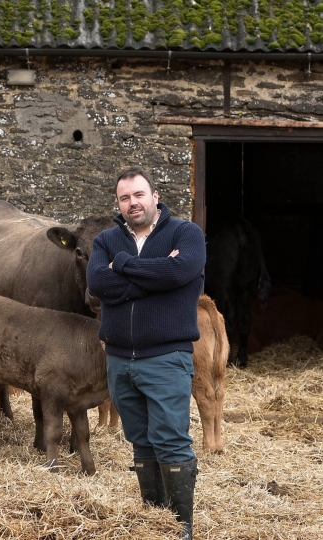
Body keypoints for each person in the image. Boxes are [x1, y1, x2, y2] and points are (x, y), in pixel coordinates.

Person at [86, 166, 205, 540]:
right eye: (124, 198)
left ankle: (181, 528)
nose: (132, 203)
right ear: (118, 204)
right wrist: (155, 278)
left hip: (166, 357)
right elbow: (97, 283)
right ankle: (155, 523)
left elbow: (180, 272)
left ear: (155, 196)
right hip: (120, 359)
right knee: (140, 439)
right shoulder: (106, 240)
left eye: (139, 195)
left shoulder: (185, 233)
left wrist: (123, 267)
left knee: (170, 438)